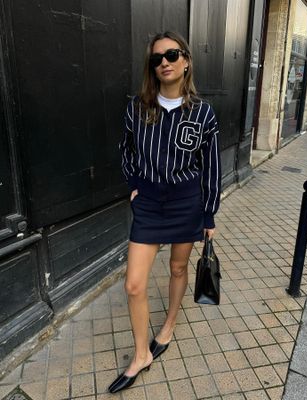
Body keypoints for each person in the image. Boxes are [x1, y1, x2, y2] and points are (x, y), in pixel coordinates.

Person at [108, 31, 221, 394]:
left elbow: (212, 167)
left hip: (187, 203)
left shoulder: (203, 113)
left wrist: (209, 215)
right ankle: (142, 354)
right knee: (134, 284)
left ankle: (169, 325)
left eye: (172, 54)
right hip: (149, 204)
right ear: (152, 67)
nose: (164, 62)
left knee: (177, 267)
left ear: (186, 60)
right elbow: (125, 150)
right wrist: (133, 184)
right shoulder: (138, 108)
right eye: (157, 58)